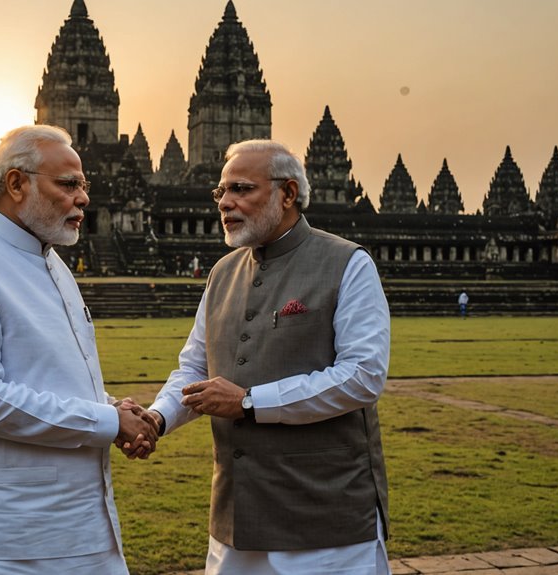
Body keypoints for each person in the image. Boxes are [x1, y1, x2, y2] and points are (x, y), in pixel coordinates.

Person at [0, 125, 158, 575]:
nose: (83, 198)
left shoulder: (53, 262)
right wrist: (107, 421)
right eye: (67, 185)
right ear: (17, 183)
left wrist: (112, 410)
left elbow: (47, 377)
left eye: (84, 185)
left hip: (83, 529)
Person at [140, 140, 392, 574]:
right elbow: (195, 368)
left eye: (241, 189)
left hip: (324, 519)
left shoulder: (347, 264)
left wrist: (251, 402)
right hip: (236, 515)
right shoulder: (222, 273)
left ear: (288, 194)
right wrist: (157, 419)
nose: (226, 204)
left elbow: (363, 376)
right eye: (221, 192)